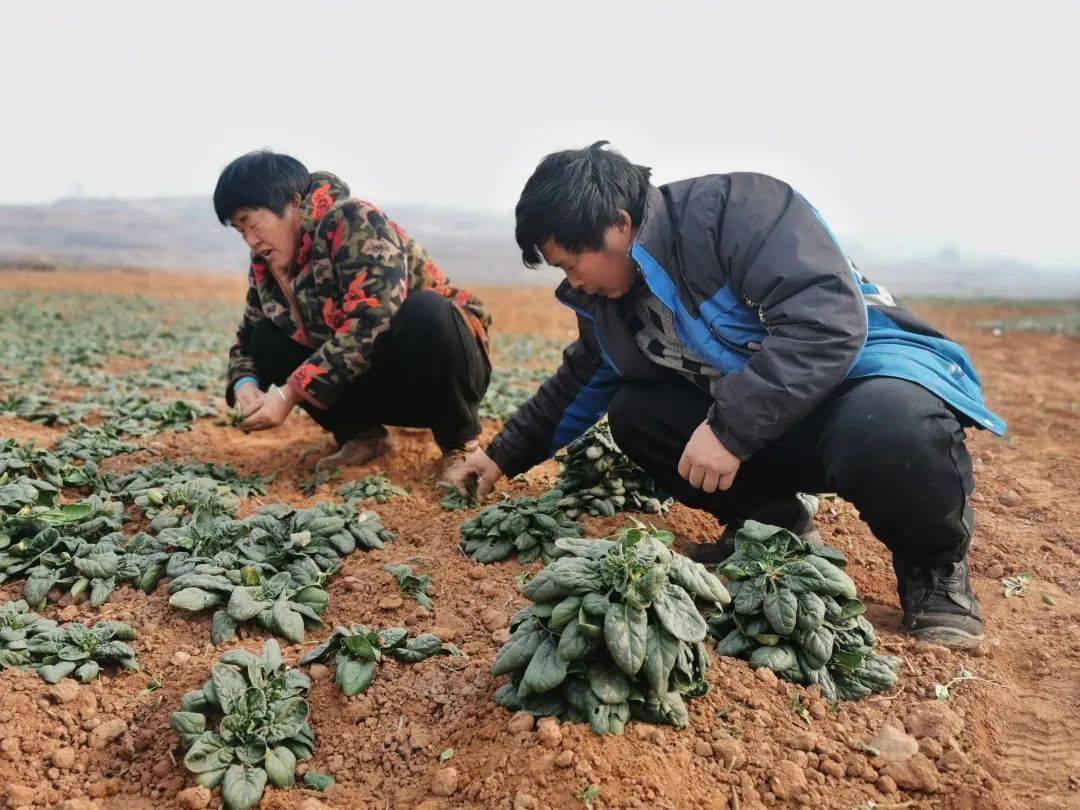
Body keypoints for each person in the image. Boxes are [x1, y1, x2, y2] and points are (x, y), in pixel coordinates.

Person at [445, 141, 1005, 649]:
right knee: (637, 413)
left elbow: (826, 324)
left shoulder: (740, 211)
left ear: (617, 227)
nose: (573, 281)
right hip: (774, 418)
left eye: (570, 263)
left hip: (861, 381)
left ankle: (934, 569)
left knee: (891, 424)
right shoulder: (610, 302)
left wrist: (729, 430)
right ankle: (770, 521)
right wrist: (498, 457)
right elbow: (578, 385)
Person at [215, 151, 491, 473]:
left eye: (252, 224)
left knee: (425, 311)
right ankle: (362, 436)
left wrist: (289, 393)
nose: (250, 240)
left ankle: (461, 445)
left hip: (442, 375)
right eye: (240, 232)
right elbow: (248, 338)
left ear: (290, 202)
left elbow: (375, 321)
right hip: (373, 386)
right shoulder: (267, 263)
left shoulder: (353, 220)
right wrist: (245, 385)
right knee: (267, 338)